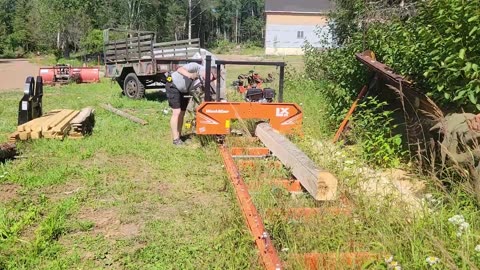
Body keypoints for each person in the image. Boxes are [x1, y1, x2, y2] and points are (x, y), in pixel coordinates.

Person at [166, 62, 215, 146]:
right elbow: (179, 69)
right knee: (176, 112)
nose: (209, 80)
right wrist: (190, 75)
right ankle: (175, 140)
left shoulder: (204, 78)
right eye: (211, 78)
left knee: (182, 113)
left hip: (184, 90)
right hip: (173, 85)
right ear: (207, 71)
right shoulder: (195, 66)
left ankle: (179, 136)